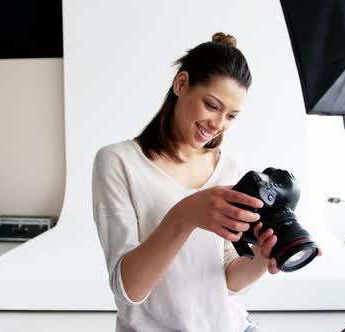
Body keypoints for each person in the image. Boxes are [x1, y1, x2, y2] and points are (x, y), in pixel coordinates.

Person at [93, 32, 277, 332]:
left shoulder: (228, 168)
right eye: (212, 105)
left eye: (231, 116)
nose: (218, 125)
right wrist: (186, 214)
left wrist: (261, 259)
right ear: (181, 84)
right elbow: (129, 289)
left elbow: (227, 279)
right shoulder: (118, 161)